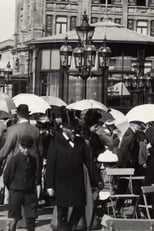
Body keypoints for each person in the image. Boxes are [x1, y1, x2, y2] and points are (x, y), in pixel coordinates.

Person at [46, 122, 103, 231]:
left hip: (77, 183)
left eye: (74, 129)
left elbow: (89, 162)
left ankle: (71, 227)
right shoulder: (55, 142)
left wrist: (98, 179)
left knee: (78, 209)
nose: (73, 132)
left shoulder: (80, 142)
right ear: (64, 129)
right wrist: (49, 185)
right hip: (61, 184)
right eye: (71, 129)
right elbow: (50, 165)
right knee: (62, 212)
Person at [3, 135, 38, 231]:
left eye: (29, 148)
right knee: (13, 217)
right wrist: (12, 188)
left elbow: (34, 174)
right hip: (16, 191)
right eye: (24, 147)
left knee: (31, 217)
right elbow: (7, 177)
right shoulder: (14, 159)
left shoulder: (33, 160)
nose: (26, 150)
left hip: (30, 192)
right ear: (19, 146)